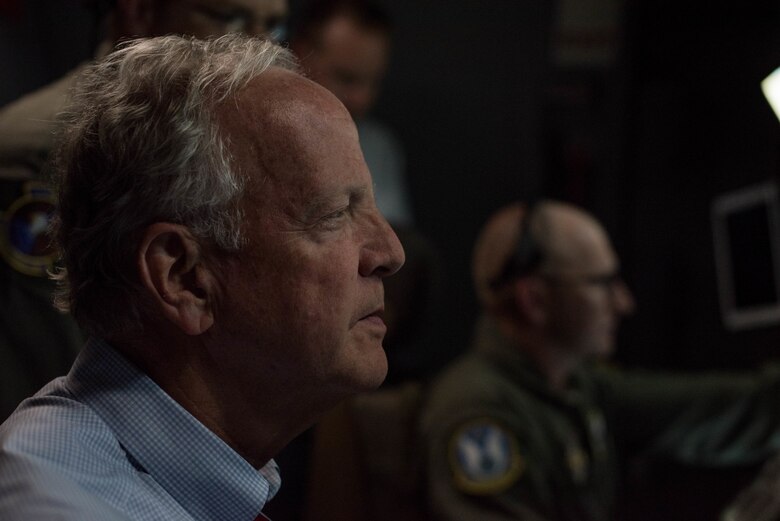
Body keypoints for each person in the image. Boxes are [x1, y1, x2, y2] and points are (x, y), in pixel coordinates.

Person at [0, 33, 404, 520]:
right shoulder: (60, 506)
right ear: (184, 278)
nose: (390, 252)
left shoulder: (201, 484)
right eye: (336, 214)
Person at [0, 0, 288, 421]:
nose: (259, 45)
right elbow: (44, 347)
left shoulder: (235, 127)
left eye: (274, 26)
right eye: (230, 19)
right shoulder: (44, 143)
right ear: (139, 13)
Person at [420, 200, 780, 521]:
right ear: (534, 300)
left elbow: (721, 411)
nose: (624, 303)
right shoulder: (478, 412)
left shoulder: (572, 383)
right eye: (601, 283)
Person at [289, 0, 413, 226]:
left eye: (373, 82)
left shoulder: (378, 146)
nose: (362, 98)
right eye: (346, 78)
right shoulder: (259, 133)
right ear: (299, 55)